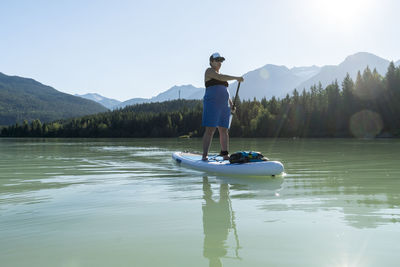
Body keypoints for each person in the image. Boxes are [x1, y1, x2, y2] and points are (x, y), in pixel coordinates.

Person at [202, 52, 244, 161]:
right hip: (212, 103)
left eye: (221, 60)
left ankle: (225, 154)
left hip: (224, 106)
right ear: (211, 62)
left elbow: (226, 91)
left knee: (224, 130)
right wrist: (236, 78)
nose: (220, 62)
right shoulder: (209, 71)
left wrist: (231, 104)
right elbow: (220, 77)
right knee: (210, 129)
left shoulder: (223, 78)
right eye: (217, 60)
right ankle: (204, 155)